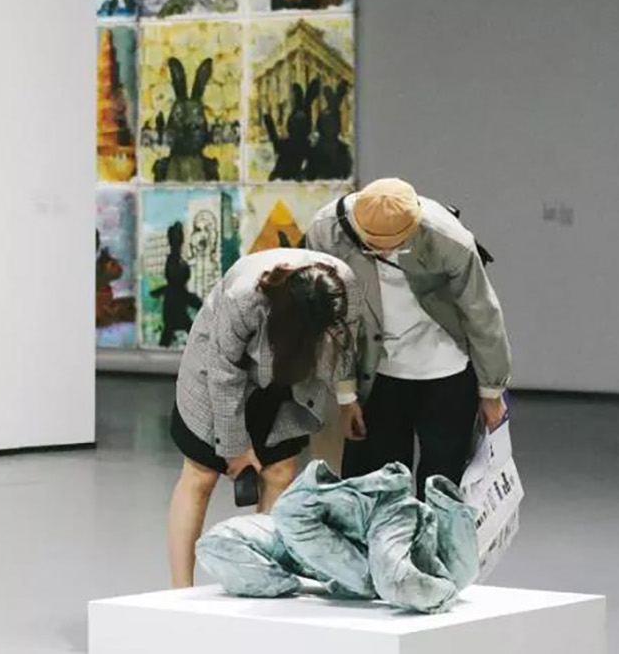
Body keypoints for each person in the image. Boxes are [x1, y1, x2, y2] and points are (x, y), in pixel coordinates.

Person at [303, 178, 511, 496]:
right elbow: (331, 321)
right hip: (377, 372)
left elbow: (481, 313)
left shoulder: (449, 239)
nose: (386, 251)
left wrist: (492, 392)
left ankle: (435, 531)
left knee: (443, 486)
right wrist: (345, 395)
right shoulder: (326, 233)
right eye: (374, 244)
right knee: (375, 487)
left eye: (398, 243)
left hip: (448, 368)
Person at [167, 248, 359, 589]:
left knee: (280, 472)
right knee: (200, 476)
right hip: (216, 373)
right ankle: (180, 591)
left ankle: (264, 577)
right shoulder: (245, 297)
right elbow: (223, 373)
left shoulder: (343, 288)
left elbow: (346, 344)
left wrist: (347, 399)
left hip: (290, 376)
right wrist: (235, 449)